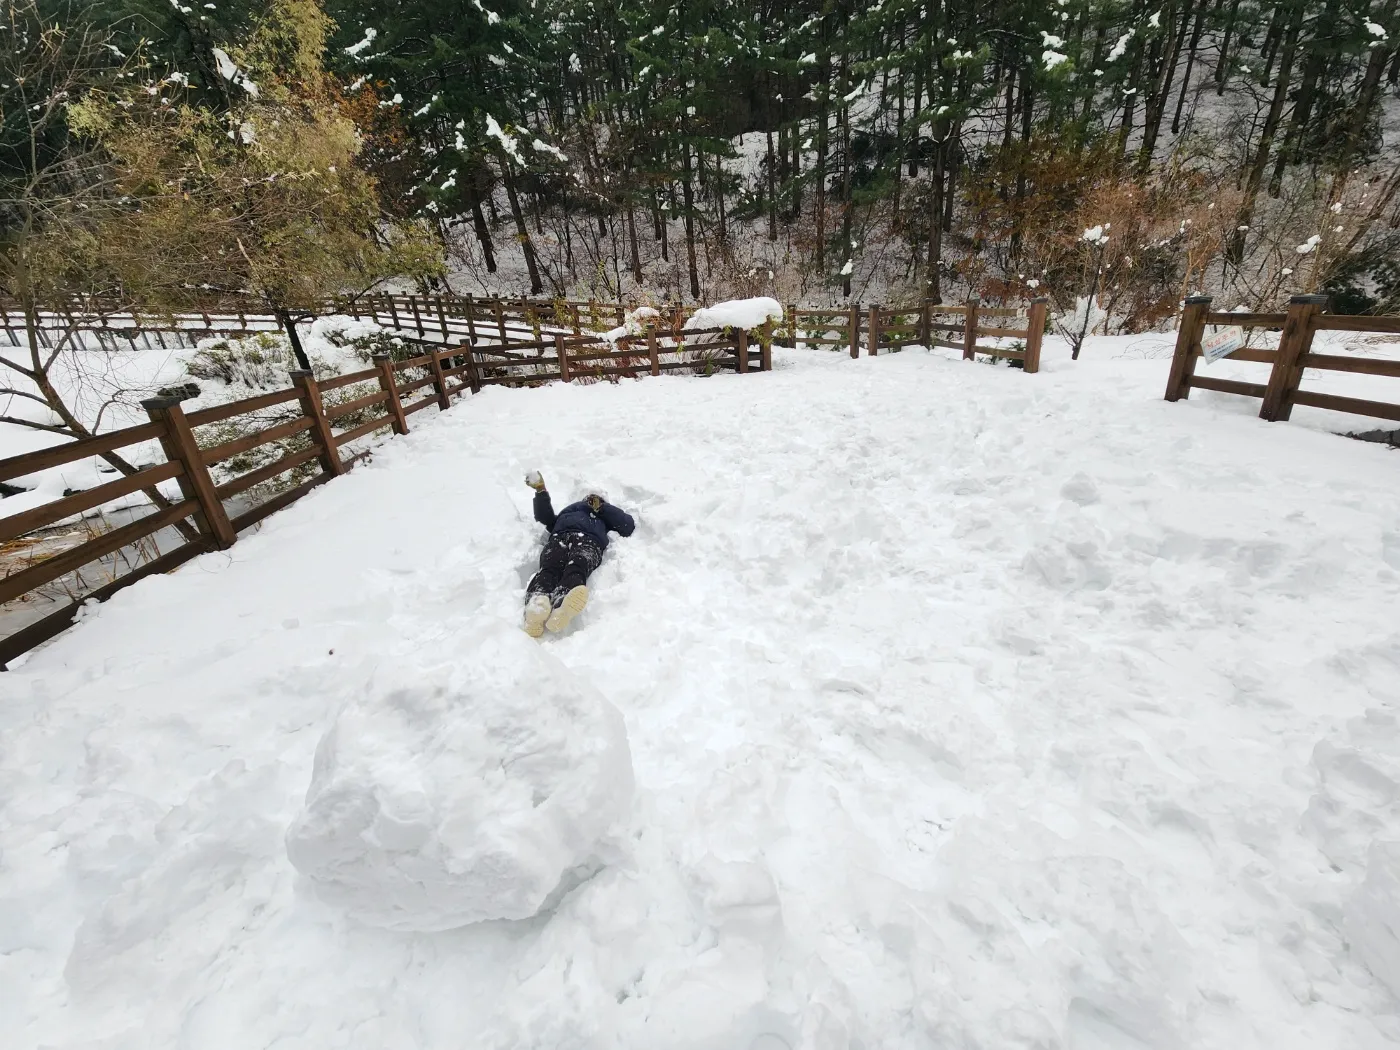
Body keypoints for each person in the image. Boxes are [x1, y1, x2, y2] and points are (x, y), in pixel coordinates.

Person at [522, 472, 635, 637]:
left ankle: (562, 605)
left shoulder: (604, 517)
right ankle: (537, 604)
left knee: (577, 566)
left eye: (596, 499)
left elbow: (627, 526)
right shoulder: (568, 511)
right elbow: (544, 517)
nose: (591, 500)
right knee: (549, 568)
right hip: (559, 538)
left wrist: (602, 508)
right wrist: (541, 492)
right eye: (590, 498)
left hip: (589, 542)